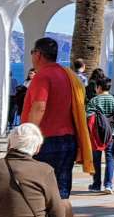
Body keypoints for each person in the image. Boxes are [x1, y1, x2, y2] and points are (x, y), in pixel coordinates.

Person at [21, 37, 93, 200]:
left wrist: (29, 138)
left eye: (32, 52)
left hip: (46, 141)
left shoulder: (42, 76)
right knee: (61, 196)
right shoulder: (67, 75)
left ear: (38, 54)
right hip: (68, 140)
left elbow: (39, 107)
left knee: (39, 195)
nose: (32, 56)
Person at [85, 73, 114, 193]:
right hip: (111, 133)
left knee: (96, 159)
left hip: (97, 133)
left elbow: (88, 116)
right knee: (110, 157)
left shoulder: (94, 100)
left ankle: (96, 184)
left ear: (99, 87)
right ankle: (108, 184)